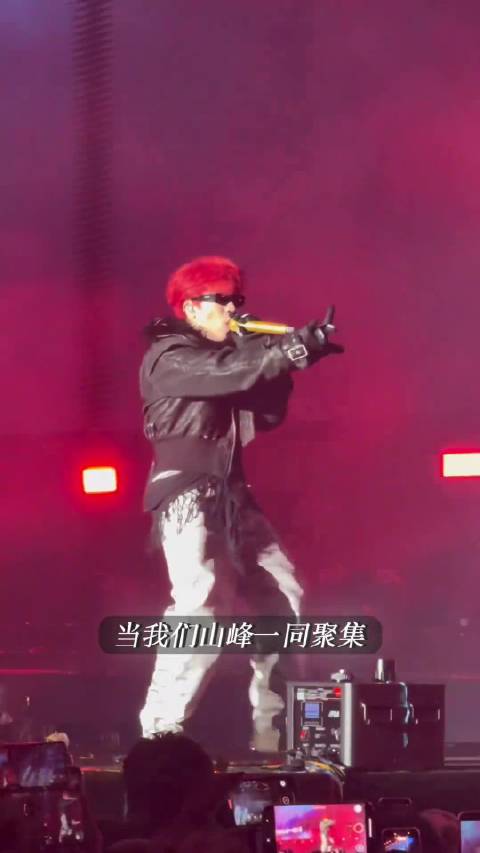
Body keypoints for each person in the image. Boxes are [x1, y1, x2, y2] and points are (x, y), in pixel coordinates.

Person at [138, 255, 343, 750]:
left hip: (232, 494)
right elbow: (227, 373)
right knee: (201, 606)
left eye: (237, 300)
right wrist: (284, 349)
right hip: (189, 493)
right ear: (191, 308)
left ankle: (275, 731)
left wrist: (283, 361)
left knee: (283, 597)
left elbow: (265, 414)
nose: (232, 309)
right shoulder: (170, 356)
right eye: (221, 300)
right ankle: (160, 732)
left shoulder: (225, 357)